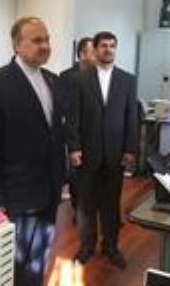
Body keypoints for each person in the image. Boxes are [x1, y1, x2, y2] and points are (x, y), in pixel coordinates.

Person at [0, 17, 66, 286]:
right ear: (17, 45)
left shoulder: (53, 80)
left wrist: (63, 179)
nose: (45, 46)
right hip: (16, 196)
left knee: (39, 261)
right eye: (37, 40)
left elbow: (55, 136)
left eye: (47, 39)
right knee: (13, 267)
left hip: (49, 192)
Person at [68, 31, 138, 269]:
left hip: (115, 153)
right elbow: (73, 117)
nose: (108, 50)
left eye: (112, 46)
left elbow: (132, 116)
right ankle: (86, 247)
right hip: (88, 153)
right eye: (104, 46)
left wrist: (130, 148)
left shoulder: (127, 80)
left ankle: (111, 247)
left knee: (111, 204)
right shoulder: (80, 80)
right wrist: (74, 147)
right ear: (95, 50)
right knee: (86, 206)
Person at [60, 37, 96, 214]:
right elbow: (63, 105)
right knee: (76, 173)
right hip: (73, 131)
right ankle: (78, 208)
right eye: (92, 51)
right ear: (81, 54)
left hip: (94, 132)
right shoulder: (66, 76)